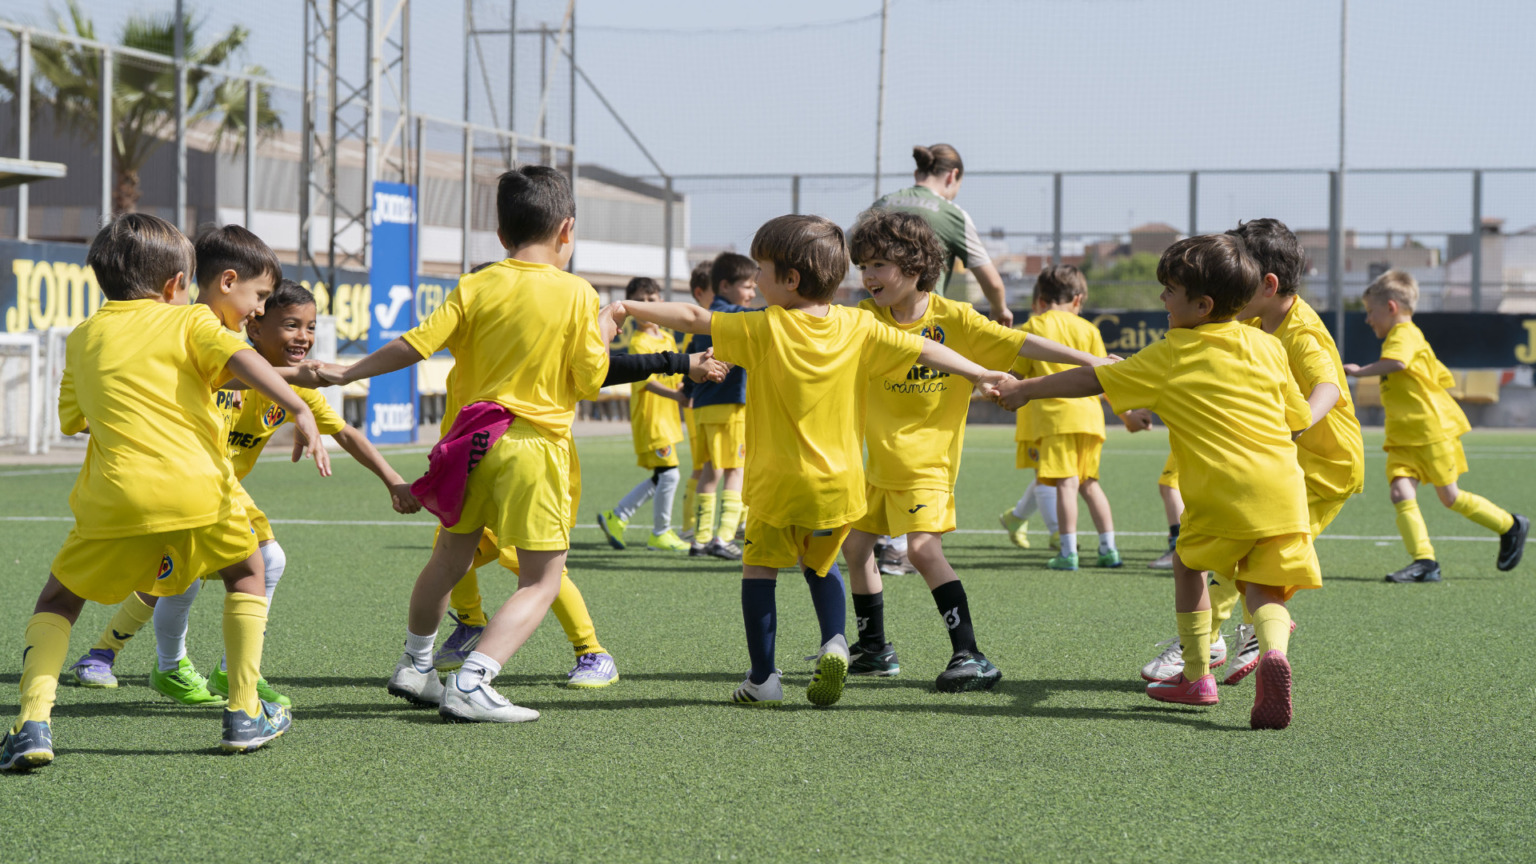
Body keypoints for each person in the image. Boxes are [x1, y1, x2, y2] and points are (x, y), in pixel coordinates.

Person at [622, 215, 1011, 708]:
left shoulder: (764, 326)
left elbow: (694, 318)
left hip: (776, 485)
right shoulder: (857, 325)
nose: (756, 280)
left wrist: (626, 307)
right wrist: (979, 373)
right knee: (821, 566)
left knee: (759, 571)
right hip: (840, 486)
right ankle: (836, 642)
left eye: (762, 270)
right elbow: (925, 349)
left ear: (790, 280)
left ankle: (763, 679)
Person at [2, 215, 331, 771]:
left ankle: (31, 724)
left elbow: (72, 421)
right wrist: (298, 406)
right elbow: (242, 358)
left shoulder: (82, 337)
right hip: (198, 490)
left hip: (112, 496)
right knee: (248, 572)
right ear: (178, 284)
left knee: (59, 601)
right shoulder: (191, 321)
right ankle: (244, 712)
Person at [320, 165, 619, 723]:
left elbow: (416, 344)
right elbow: (589, 381)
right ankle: (474, 680)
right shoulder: (578, 292)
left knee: (449, 558)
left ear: (501, 236)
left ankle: (417, 663)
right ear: (567, 229)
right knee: (542, 579)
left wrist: (348, 372)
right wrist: (602, 333)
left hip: (469, 443)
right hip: (533, 446)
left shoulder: (475, 284)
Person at [994, 233, 1317, 730]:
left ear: (1202, 305)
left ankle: (1197, 677)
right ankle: (1274, 652)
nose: (1162, 298)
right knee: (1264, 588)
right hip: (1286, 490)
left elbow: (1092, 380)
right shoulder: (1269, 347)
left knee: (1188, 566)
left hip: (1222, 492)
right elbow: (1298, 417)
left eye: (1170, 290)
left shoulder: (1172, 352)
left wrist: (1025, 389)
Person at [67, 278, 419, 707]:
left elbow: (346, 434)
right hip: (181, 481)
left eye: (310, 327)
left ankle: (155, 661)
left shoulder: (293, 390)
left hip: (214, 490)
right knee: (186, 572)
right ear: (254, 327)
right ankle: (161, 664)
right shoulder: (216, 362)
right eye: (291, 325)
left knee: (200, 569)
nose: (303, 337)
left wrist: (392, 479)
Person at [842, 210, 1107, 690]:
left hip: (927, 465)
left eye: (879, 264)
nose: (868, 275)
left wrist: (1094, 361)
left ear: (915, 266)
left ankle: (970, 654)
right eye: (863, 265)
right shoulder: (864, 318)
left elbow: (1022, 342)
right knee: (856, 547)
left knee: (923, 550)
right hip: (877, 463)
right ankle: (874, 648)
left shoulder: (955, 319)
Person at [1142, 218, 1363, 685]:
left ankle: (1213, 643)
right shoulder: (1257, 321)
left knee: (1245, 556)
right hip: (1286, 465)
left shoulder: (1302, 332)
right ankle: (1244, 637)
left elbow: (1328, 385)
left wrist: (1296, 424)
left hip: (1325, 469)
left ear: (1267, 284)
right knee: (1247, 556)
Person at [1344, 270, 1528, 582]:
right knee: (1400, 492)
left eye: (1370, 311)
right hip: (1403, 437)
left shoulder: (1404, 333)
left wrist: (1360, 371)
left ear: (1391, 307)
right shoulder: (1400, 337)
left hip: (1429, 431)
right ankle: (1425, 562)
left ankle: (1510, 525)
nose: (1367, 319)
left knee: (1450, 497)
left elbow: (1399, 363)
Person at [1012, 265, 1121, 571]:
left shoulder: (1032, 327)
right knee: (1090, 484)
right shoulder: (1089, 329)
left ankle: (1068, 552)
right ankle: (1109, 549)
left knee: (1066, 484)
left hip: (1055, 419)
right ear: (1077, 299)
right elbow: (1105, 375)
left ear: (1041, 299)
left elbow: (1017, 374)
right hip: (1090, 419)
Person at [599, 277, 691, 552]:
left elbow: (677, 376)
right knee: (670, 475)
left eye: (652, 300)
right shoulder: (638, 342)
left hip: (668, 419)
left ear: (661, 302)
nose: (647, 305)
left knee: (662, 476)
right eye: (641, 301)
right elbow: (645, 382)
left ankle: (617, 517)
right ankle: (660, 533)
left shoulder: (668, 338)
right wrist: (676, 395)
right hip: (652, 419)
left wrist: (685, 388)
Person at [874, 143, 1012, 326]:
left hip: (878, 322)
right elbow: (992, 283)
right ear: (952, 176)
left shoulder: (883, 204)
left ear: (917, 174)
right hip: (925, 325)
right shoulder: (953, 215)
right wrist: (1000, 309)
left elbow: (843, 248)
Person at [682, 253, 759, 560]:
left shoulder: (705, 318)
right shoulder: (734, 315)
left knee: (709, 472)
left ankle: (700, 539)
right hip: (728, 407)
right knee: (735, 470)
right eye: (748, 286)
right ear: (725, 285)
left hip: (702, 408)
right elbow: (766, 317)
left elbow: (690, 359)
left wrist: (688, 391)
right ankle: (724, 536)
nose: (753, 293)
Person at [679, 262, 715, 541]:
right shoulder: (699, 329)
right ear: (700, 293)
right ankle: (690, 527)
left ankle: (692, 528)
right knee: (703, 467)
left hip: (710, 406)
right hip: (701, 407)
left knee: (712, 467)